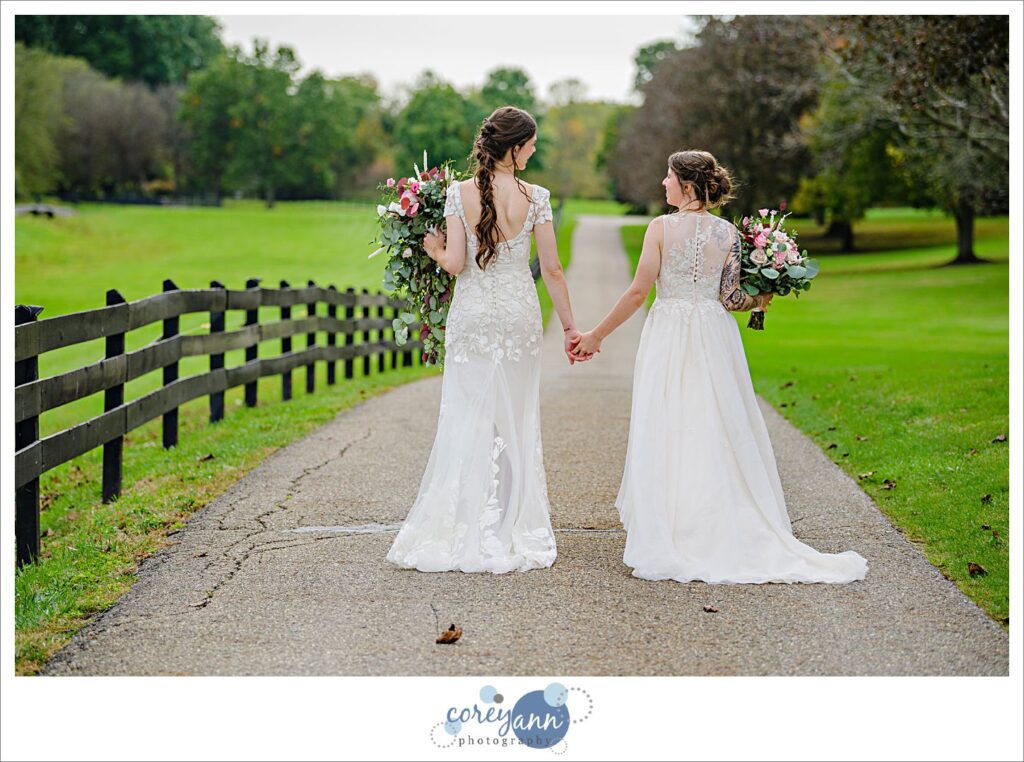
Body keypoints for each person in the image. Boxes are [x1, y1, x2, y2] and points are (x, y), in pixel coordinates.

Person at [571, 149, 868, 584]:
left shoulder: (660, 229)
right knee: (714, 423)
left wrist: (596, 336)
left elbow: (638, 293)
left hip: (670, 331)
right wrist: (762, 299)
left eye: (668, 177)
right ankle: (716, 523)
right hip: (713, 334)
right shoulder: (727, 233)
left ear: (687, 185)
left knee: (670, 423)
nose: (663, 184)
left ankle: (676, 528)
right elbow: (731, 299)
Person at [386, 106, 588, 574]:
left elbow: (456, 264)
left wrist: (434, 249)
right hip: (518, 316)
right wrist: (570, 327)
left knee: (466, 413)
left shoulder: (459, 194)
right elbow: (553, 270)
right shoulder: (536, 197)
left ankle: (465, 525)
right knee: (514, 418)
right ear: (514, 147)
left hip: (473, 316)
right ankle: (509, 526)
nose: (534, 151)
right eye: (531, 144)